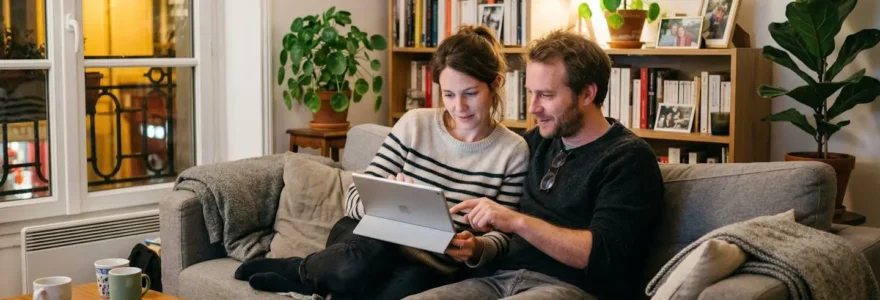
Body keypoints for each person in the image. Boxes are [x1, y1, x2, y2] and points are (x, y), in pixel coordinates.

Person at [233, 25, 530, 300]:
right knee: (353, 267)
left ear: (495, 84)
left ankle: (308, 280)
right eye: (449, 94)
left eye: (470, 94)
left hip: (434, 261)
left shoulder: (512, 150)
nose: (458, 107)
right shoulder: (415, 124)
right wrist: (384, 197)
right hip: (369, 237)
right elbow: (354, 196)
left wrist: (477, 247)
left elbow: (504, 237)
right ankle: (300, 270)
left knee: (394, 293)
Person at [405, 30, 664, 300]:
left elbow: (600, 254)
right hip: (499, 280)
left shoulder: (628, 158)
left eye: (546, 95)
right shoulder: (535, 143)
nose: (533, 108)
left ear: (587, 93)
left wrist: (517, 222)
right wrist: (477, 244)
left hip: (572, 289)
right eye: (530, 93)